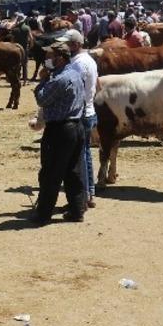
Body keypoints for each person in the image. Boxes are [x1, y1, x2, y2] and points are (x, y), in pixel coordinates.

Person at [33, 42, 86, 224]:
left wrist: (42, 80)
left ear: (60, 58)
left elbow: (42, 99)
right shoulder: (76, 74)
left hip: (59, 129)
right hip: (76, 127)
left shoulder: (59, 79)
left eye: (50, 56)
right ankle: (77, 210)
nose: (47, 59)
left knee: (51, 172)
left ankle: (43, 214)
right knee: (73, 171)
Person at [65, 29, 99, 208]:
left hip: (81, 112)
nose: (65, 47)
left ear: (76, 44)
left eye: (67, 44)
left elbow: (74, 91)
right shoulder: (89, 60)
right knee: (85, 154)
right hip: (89, 110)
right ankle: (89, 193)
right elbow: (97, 86)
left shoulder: (78, 63)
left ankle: (84, 196)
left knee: (80, 156)